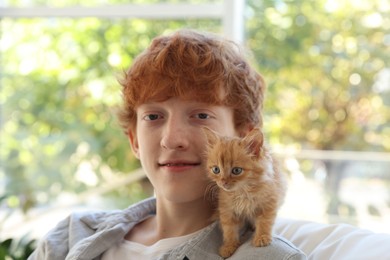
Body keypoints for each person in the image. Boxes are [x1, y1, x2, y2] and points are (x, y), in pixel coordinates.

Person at [28, 29, 306, 260]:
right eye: (153, 116)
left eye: (201, 116)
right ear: (134, 140)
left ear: (248, 141)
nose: (172, 139)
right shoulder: (69, 237)